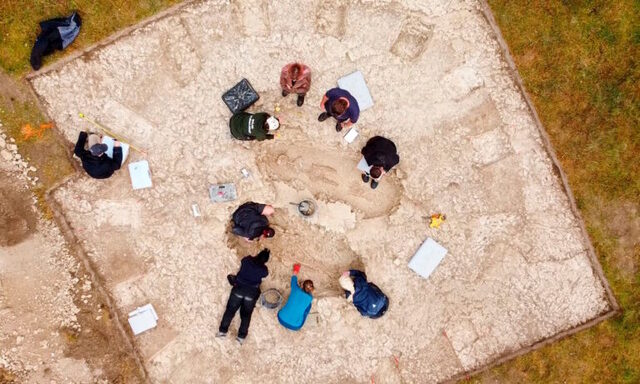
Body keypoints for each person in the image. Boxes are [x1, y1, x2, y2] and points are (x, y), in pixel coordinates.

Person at [217, 248, 271, 344]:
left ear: (258, 254)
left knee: (230, 311)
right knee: (246, 315)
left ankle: (222, 332)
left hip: (238, 290)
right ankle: (240, 337)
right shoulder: (263, 270)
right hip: (251, 294)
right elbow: (265, 275)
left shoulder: (247, 260)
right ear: (266, 261)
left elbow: (243, 261)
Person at [278, 264, 314, 331]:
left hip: (281, 318)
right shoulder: (310, 298)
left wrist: (296, 268)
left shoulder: (295, 289)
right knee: (308, 306)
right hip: (294, 326)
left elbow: (294, 276)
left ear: (302, 285)